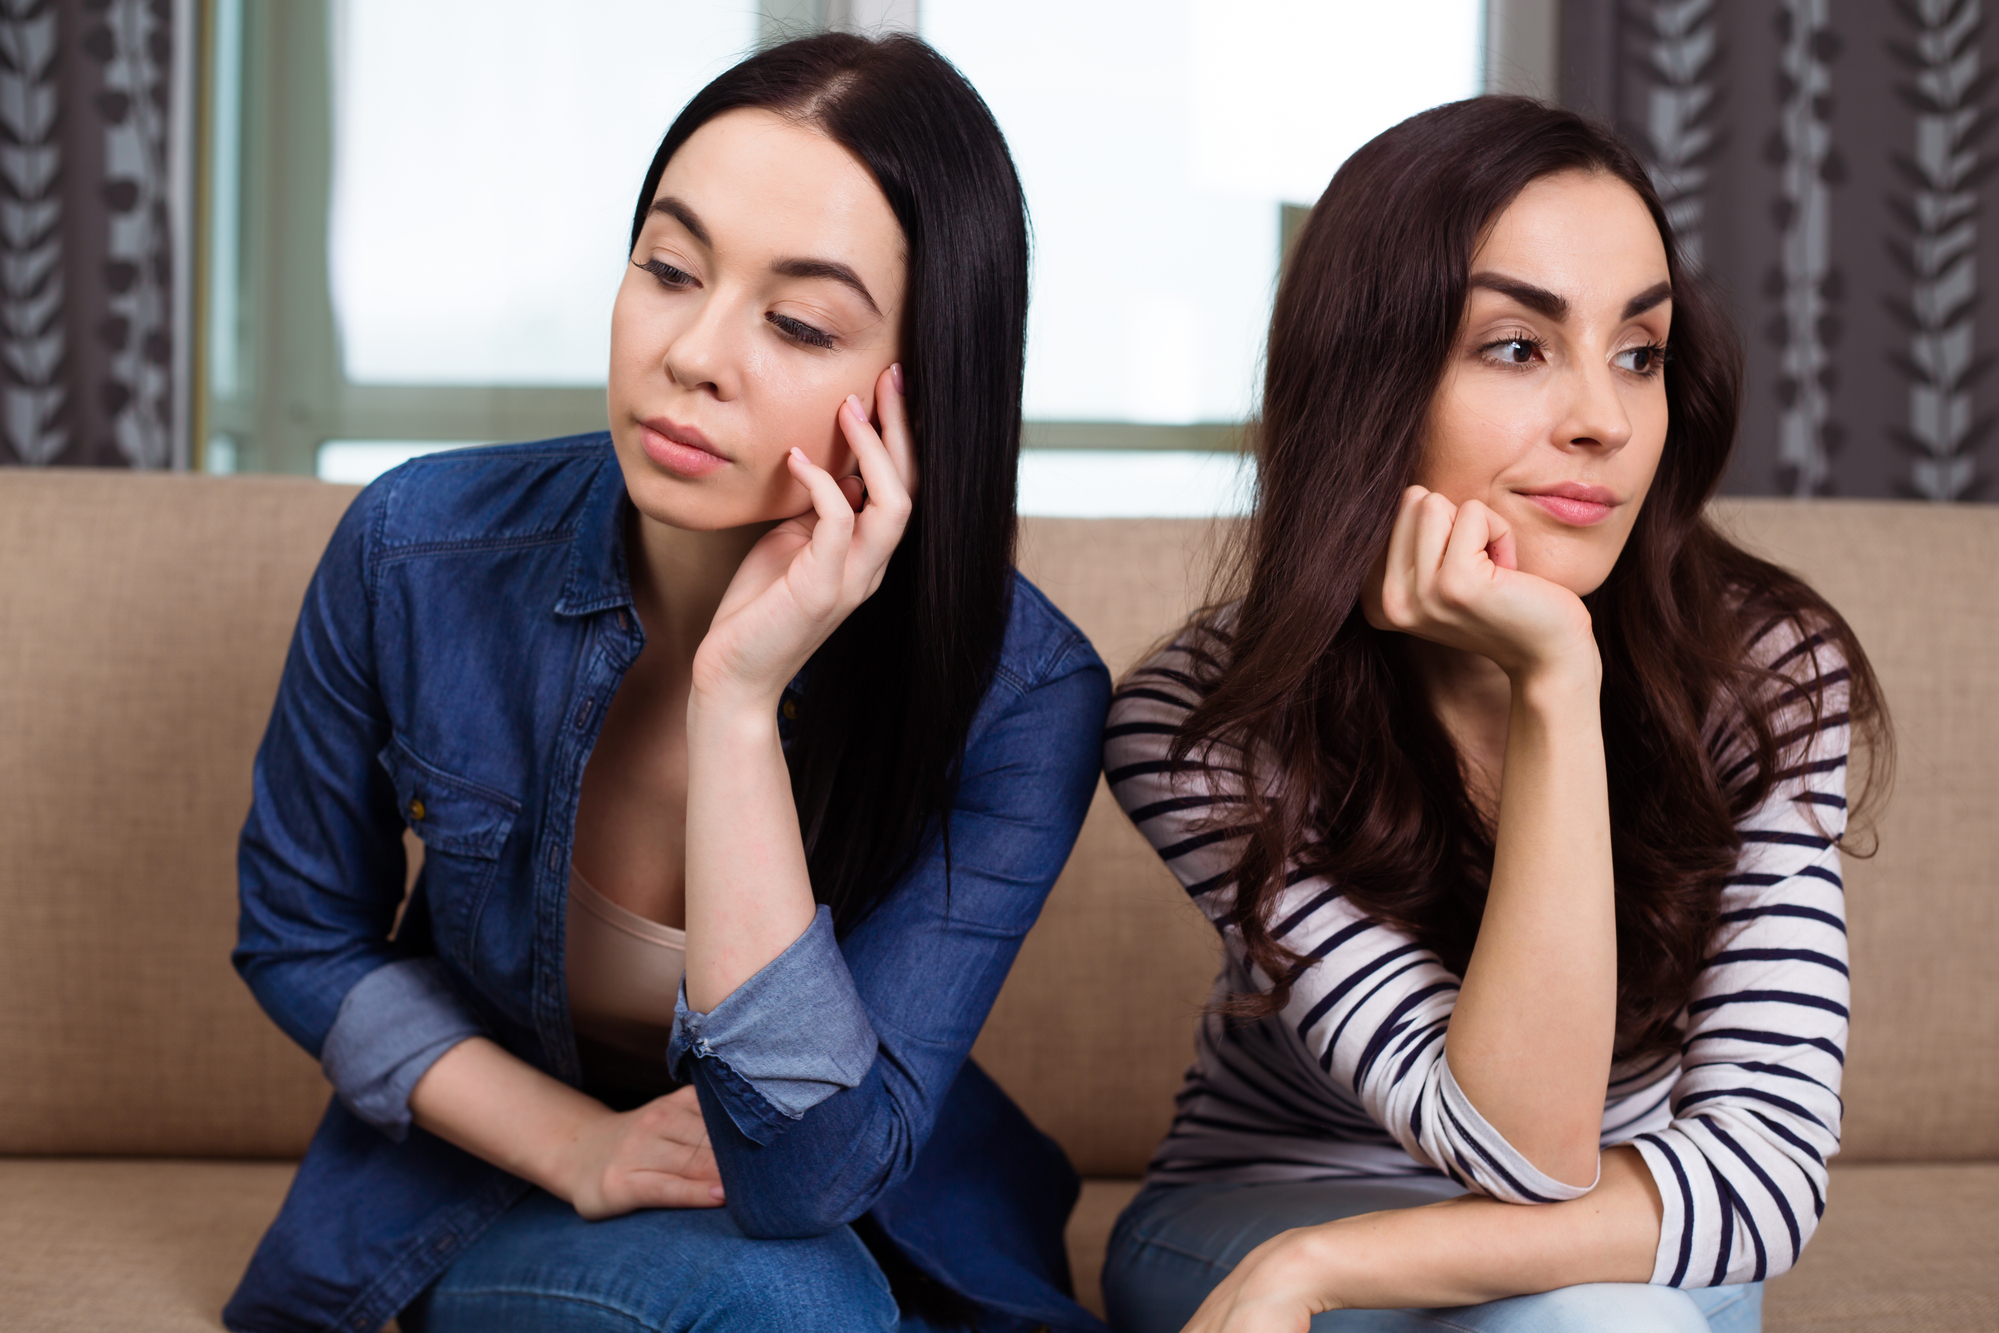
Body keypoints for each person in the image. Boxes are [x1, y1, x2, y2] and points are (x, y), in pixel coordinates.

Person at [225, 33, 1112, 1333]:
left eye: (798, 321)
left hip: (868, 1220)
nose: (692, 352)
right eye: (667, 267)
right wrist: (574, 1143)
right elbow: (300, 932)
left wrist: (736, 704)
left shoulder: (1023, 694)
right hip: (496, 1189)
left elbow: (808, 1168)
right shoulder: (418, 549)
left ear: (927, 392)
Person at [1100, 97, 1889, 1333]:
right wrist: (1304, 1245)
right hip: (1281, 1199)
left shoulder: (1767, 669)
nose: (1604, 419)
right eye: (1518, 346)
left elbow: (1764, 1174)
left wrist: (1317, 1275)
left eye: (1638, 352)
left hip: (1617, 1232)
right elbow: (1518, 1148)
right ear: (1372, 384)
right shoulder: (1201, 719)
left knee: (1600, 1318)